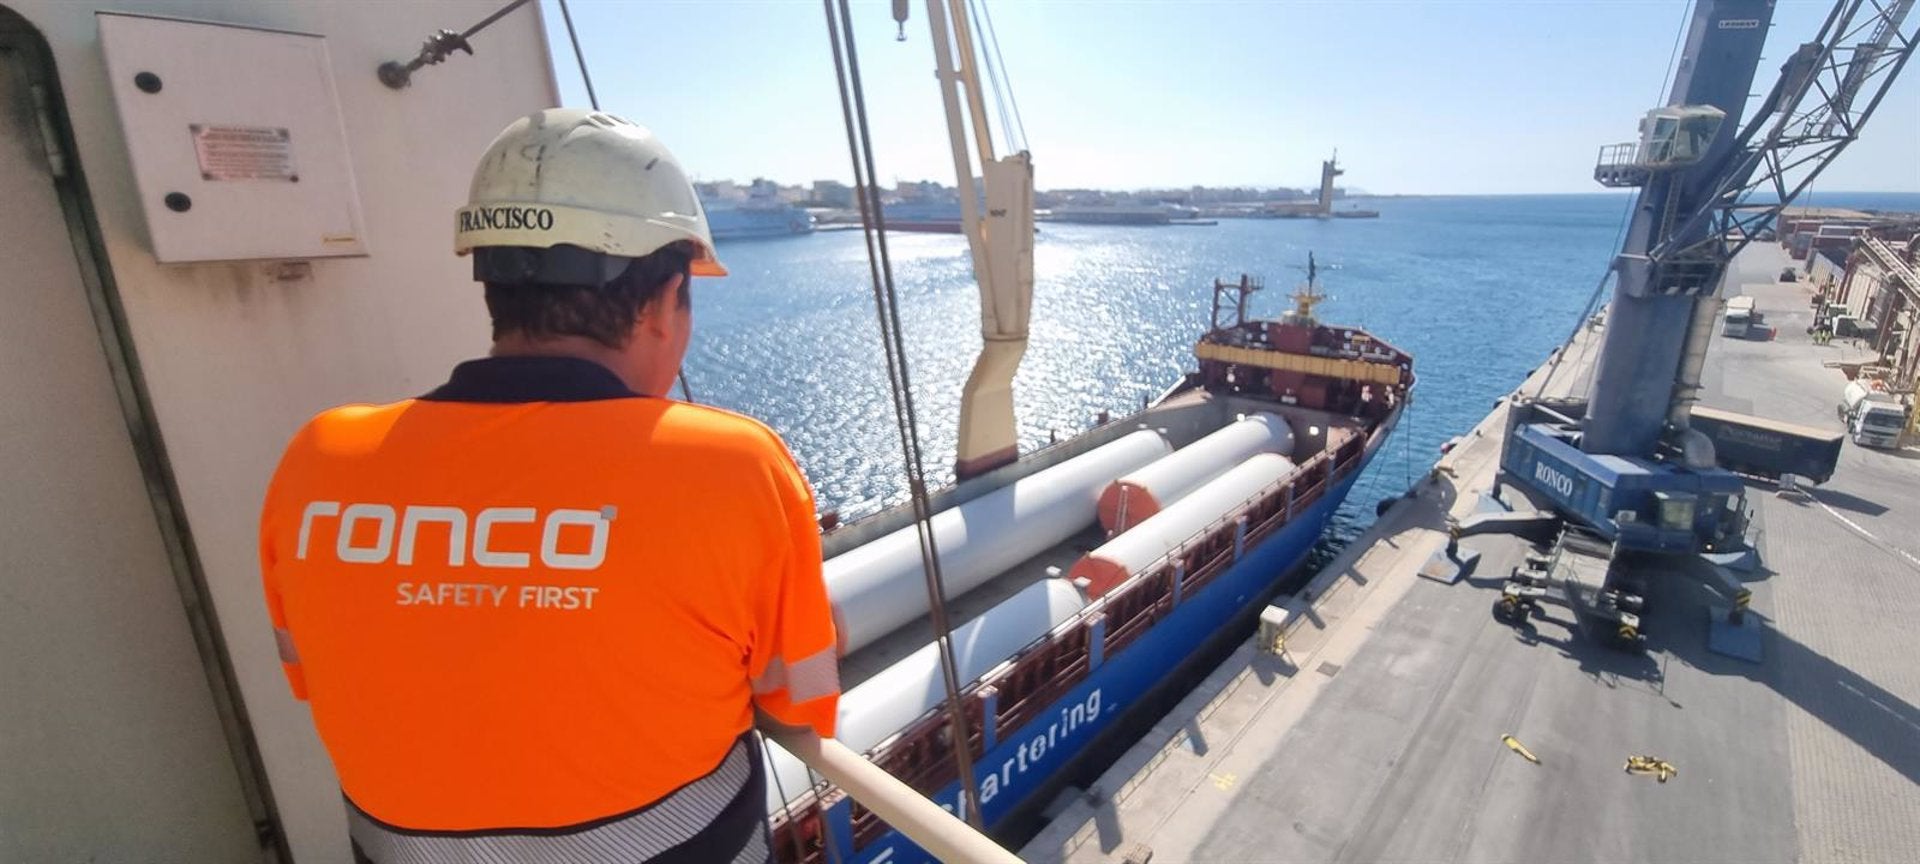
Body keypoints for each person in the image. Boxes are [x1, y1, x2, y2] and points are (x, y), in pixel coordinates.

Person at [258, 108, 838, 864]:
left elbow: (313, 667)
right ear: (663, 301)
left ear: (493, 284)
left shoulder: (318, 459)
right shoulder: (733, 466)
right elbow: (794, 696)